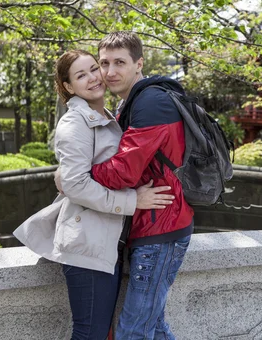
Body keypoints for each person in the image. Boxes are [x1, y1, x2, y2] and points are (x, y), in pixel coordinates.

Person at [13, 49, 175, 340]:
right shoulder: (75, 122)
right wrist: (133, 201)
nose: (92, 78)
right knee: (91, 334)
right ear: (67, 86)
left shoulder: (107, 116)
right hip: (87, 244)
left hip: (106, 241)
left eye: (93, 68)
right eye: (80, 75)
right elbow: (75, 184)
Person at [91, 31, 194, 339]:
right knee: (154, 327)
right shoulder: (137, 101)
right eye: (104, 63)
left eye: (119, 62)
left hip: (161, 230)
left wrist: (79, 174)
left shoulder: (151, 102)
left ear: (139, 64)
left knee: (133, 332)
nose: (110, 72)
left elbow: (123, 172)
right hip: (157, 226)